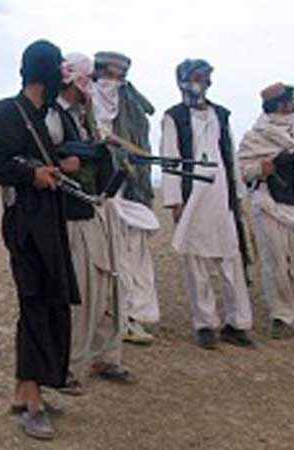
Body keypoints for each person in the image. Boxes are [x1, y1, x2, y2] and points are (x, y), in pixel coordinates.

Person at [0, 40, 81, 440]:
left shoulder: (40, 116)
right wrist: (33, 175)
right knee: (35, 303)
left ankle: (25, 390)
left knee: (50, 299)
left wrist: (59, 167)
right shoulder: (8, 112)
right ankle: (32, 402)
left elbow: (36, 160)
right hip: (25, 223)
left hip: (48, 219)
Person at [46, 52, 135, 390]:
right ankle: (68, 364)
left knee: (107, 286)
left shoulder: (85, 116)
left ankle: (104, 355)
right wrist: (65, 163)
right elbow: (46, 158)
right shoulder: (53, 116)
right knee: (82, 293)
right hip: (72, 215)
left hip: (96, 210)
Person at [160, 59, 254, 350]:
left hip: (222, 195)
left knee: (231, 258)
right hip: (192, 196)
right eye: (199, 77)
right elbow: (169, 159)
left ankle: (237, 323)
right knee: (196, 261)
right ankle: (205, 324)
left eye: (207, 78)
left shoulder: (221, 114)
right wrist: (174, 200)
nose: (205, 83)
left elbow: (230, 155)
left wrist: (238, 194)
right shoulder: (174, 117)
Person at [238, 83, 294, 339]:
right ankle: (282, 316)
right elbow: (242, 171)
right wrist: (261, 169)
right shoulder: (254, 137)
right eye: (287, 101)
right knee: (276, 263)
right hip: (269, 204)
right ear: (276, 105)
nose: (292, 105)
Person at [92, 51, 160, 345]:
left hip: (133, 187)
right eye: (111, 73)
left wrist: (135, 154)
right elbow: (100, 134)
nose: (115, 80)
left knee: (135, 250)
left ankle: (134, 315)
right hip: (105, 187)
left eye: (121, 75)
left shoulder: (131, 103)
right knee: (112, 254)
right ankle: (117, 316)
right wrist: (123, 147)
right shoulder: (89, 99)